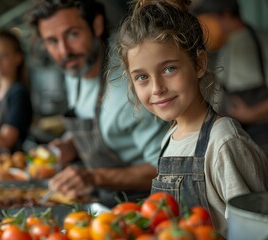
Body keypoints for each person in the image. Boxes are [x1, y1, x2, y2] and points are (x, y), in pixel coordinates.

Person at [114, 0, 268, 237]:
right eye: (142, 77)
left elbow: (253, 231)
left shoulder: (223, 141)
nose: (157, 88)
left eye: (169, 69)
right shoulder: (170, 138)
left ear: (199, 64)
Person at [27, 0, 168, 205]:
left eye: (73, 34)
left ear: (97, 25)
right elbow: (99, 125)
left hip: (146, 206)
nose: (64, 51)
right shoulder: (75, 69)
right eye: (52, 41)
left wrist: (93, 177)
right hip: (102, 201)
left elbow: (163, 169)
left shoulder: (132, 88)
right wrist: (67, 145)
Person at [194, 0, 268, 155]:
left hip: (261, 131)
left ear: (226, 14)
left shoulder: (262, 42)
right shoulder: (220, 45)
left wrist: (252, 114)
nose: (205, 27)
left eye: (209, 20)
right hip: (231, 130)